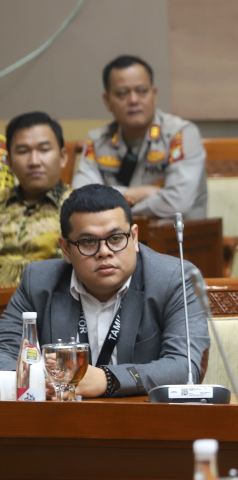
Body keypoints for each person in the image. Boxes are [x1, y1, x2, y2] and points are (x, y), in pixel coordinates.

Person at [0, 184, 209, 398]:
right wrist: (41, 378)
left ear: (134, 238)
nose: (104, 252)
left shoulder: (173, 279)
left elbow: (186, 366)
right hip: (59, 422)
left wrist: (107, 379)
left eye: (116, 238)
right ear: (66, 249)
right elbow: (4, 354)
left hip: (143, 422)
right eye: (88, 242)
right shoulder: (38, 282)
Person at [72, 55, 207, 219]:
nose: (134, 100)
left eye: (142, 91)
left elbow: (177, 202)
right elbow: (81, 196)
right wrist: (136, 193)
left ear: (154, 94)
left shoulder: (181, 134)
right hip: (118, 241)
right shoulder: (98, 140)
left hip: (179, 239)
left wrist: (118, 211)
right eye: (123, 93)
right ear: (107, 101)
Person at [0, 112, 72, 287]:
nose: (34, 161)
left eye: (44, 150)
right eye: (23, 151)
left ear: (62, 157)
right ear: (9, 161)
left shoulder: (80, 207)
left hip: (53, 308)